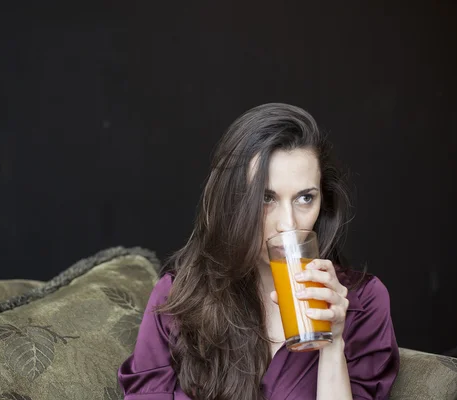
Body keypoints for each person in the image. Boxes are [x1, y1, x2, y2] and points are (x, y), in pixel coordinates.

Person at [118, 103, 399, 399]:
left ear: (323, 203)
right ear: (232, 202)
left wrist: (332, 347)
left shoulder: (363, 303)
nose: (287, 224)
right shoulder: (178, 297)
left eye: (305, 198)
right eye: (266, 198)